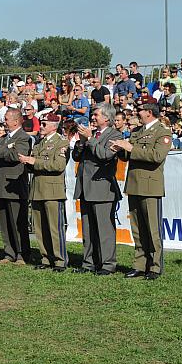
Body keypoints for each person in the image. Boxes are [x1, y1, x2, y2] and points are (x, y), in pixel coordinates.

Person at [110, 96, 172, 280]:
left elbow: (157, 156)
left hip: (150, 186)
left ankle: (155, 266)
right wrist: (120, 149)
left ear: (149, 112)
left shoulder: (162, 132)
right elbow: (128, 156)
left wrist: (131, 148)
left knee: (152, 229)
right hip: (134, 184)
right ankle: (139, 264)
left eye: (140, 109)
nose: (137, 112)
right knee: (137, 229)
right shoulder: (137, 131)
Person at [72, 104, 123, 275]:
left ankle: (107, 264)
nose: (93, 117)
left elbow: (105, 155)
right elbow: (76, 156)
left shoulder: (115, 135)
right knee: (88, 229)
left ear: (107, 118)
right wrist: (81, 142)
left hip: (102, 188)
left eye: (96, 115)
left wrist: (90, 139)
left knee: (104, 229)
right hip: (86, 187)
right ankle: (89, 263)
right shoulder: (91, 134)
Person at [19, 113, 70, 271]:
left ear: (54, 126)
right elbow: (34, 164)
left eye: (44, 124)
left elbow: (58, 165)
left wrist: (35, 161)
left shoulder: (61, 142)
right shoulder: (40, 143)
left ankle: (60, 260)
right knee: (40, 228)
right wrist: (27, 162)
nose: (40, 126)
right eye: (41, 123)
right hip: (38, 189)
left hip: (53, 191)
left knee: (55, 228)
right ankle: (46, 258)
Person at [0, 108, 31, 264]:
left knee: (18, 222)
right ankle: (9, 253)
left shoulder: (23, 137)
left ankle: (22, 254)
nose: (4, 121)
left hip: (14, 185)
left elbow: (15, 156)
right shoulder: (4, 138)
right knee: (4, 222)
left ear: (16, 121)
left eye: (7, 119)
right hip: (0, 185)